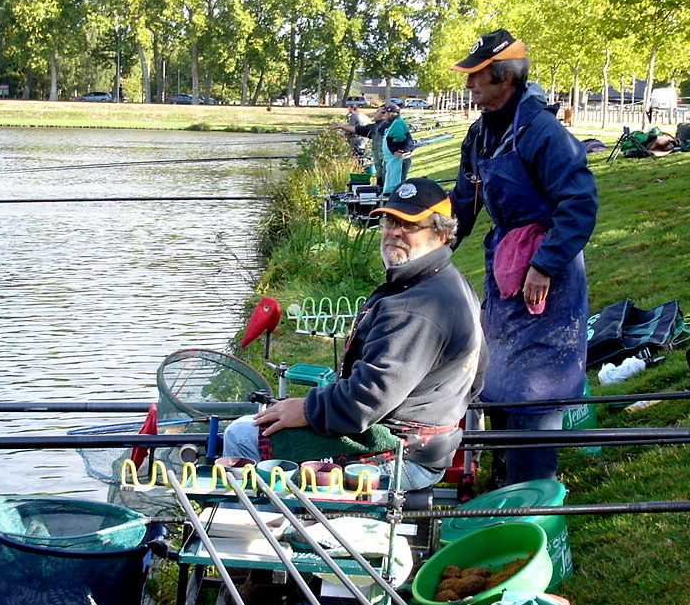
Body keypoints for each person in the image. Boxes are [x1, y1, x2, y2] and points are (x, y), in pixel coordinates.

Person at [223, 177, 485, 491]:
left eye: (409, 225)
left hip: (400, 455)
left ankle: (252, 534)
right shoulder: (450, 283)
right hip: (424, 443)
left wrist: (307, 408)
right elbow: (478, 374)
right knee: (263, 423)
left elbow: (367, 399)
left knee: (240, 436)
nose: (394, 232)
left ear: (442, 234)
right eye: (390, 221)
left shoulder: (418, 306)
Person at [448, 28, 598, 485]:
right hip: (506, 269)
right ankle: (500, 476)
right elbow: (463, 202)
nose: (469, 85)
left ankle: (534, 486)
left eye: (477, 76)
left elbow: (579, 203)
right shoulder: (479, 134)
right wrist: (433, 247)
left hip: (546, 273)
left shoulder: (543, 132)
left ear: (505, 78)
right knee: (496, 371)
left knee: (538, 382)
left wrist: (545, 264)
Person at [334, 101, 414, 195]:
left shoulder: (387, 125)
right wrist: (341, 126)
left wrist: (399, 150)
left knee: (395, 187)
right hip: (386, 163)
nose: (375, 113)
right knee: (387, 187)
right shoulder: (383, 125)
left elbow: (402, 139)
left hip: (394, 161)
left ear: (386, 114)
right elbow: (359, 129)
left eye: (377, 111)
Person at [344, 102, 370, 169]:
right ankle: (362, 167)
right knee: (361, 154)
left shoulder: (354, 116)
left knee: (355, 154)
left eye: (348, 107)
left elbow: (350, 127)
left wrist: (343, 133)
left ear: (352, 108)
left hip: (356, 138)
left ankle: (356, 168)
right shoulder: (365, 116)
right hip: (365, 138)